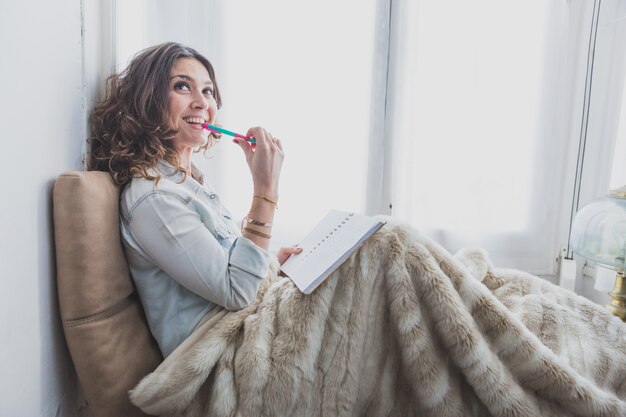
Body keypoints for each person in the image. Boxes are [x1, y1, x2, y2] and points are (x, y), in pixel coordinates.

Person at [89, 42, 302, 357]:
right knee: (386, 247)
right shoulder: (155, 199)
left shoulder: (188, 182)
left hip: (247, 334)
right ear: (148, 101)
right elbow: (236, 291)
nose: (202, 102)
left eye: (208, 91)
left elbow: (227, 267)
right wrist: (265, 191)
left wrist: (271, 263)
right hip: (221, 361)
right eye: (182, 87)